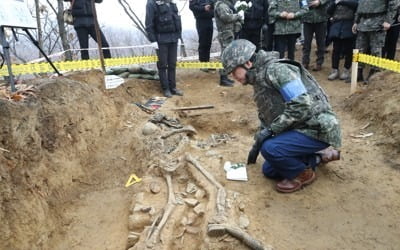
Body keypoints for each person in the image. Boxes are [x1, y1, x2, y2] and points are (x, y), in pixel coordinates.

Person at [221, 39, 341, 193]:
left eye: (233, 70)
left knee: (271, 149)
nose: (232, 76)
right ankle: (318, 157)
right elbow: (270, 112)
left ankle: (304, 175)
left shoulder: (277, 70)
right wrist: (261, 135)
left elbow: (301, 104)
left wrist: (271, 131)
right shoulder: (259, 78)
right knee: (269, 170)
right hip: (301, 127)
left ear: (248, 63)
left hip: (318, 127)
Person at [352, 0, 398, 82]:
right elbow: (360, 5)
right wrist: (356, 21)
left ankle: (374, 73)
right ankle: (358, 73)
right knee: (359, 48)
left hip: (378, 21)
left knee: (376, 49)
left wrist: (388, 20)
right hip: (362, 22)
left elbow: (394, 3)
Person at [145, 0, 183, 98]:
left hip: (173, 38)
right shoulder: (151, 3)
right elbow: (149, 23)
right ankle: (165, 88)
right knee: (162, 65)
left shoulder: (171, 2)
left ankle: (173, 87)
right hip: (161, 39)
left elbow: (177, 20)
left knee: (172, 64)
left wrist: (178, 36)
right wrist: (153, 40)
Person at [326, 0, 358, 81]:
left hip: (349, 25)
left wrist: (341, 1)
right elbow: (328, 11)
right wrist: (335, 3)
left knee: (348, 50)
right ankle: (334, 70)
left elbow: (356, 5)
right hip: (337, 25)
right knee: (336, 50)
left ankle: (346, 70)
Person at [214, 0, 243, 86]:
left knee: (227, 55)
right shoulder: (221, 5)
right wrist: (237, 16)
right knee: (225, 56)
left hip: (228, 33)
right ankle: (223, 78)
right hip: (225, 34)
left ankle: (225, 76)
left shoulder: (225, 5)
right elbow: (226, 18)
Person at [302, 0, 330, 71]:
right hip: (307, 18)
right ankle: (305, 62)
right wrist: (309, 4)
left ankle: (319, 63)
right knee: (306, 42)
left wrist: (320, 2)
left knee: (321, 42)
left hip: (321, 18)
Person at [189, 0, 215, 70]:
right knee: (203, 42)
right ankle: (203, 64)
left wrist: (211, 7)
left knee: (208, 43)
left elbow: (214, 4)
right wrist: (203, 8)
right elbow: (191, 6)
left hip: (209, 20)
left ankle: (207, 63)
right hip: (201, 21)